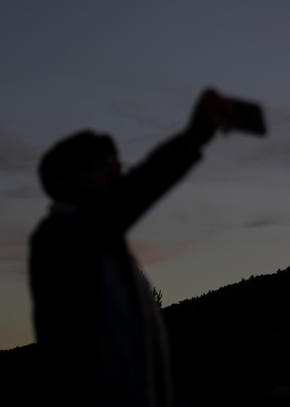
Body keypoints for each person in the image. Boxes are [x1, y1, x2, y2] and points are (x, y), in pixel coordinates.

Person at [29, 89, 233, 407]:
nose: (115, 176)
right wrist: (190, 140)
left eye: (117, 167)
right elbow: (121, 203)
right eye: (101, 167)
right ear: (63, 184)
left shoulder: (113, 252)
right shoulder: (57, 238)